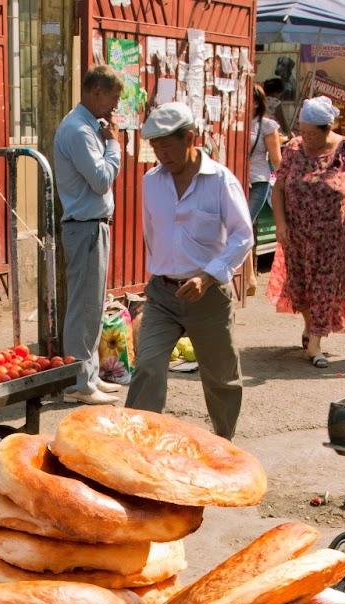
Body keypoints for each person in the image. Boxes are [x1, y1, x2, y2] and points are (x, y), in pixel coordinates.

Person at [127, 102, 253, 440]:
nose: (161, 153)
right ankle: (137, 444)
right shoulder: (151, 182)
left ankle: (225, 445)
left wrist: (208, 274)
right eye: (155, 146)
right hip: (163, 294)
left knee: (220, 377)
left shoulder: (220, 181)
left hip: (208, 294)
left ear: (190, 139)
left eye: (167, 144)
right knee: (147, 368)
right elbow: (153, 234)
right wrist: (162, 275)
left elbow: (243, 236)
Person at [269, 96, 345, 368]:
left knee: (325, 286)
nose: (306, 138)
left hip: (332, 236)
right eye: (302, 131)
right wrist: (280, 223)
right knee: (300, 286)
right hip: (297, 234)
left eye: (312, 134)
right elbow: (278, 188)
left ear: (327, 128)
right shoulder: (293, 148)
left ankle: (314, 343)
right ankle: (310, 325)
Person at [53, 65, 125, 405]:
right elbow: (100, 180)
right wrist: (114, 146)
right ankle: (80, 383)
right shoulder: (79, 130)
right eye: (113, 97)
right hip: (84, 226)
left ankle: (89, 376)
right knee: (83, 307)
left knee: (92, 305)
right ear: (96, 92)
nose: (115, 105)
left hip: (91, 225)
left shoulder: (86, 125)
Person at [245, 86, 283, 296]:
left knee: (244, 224)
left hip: (258, 181)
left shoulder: (267, 126)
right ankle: (248, 277)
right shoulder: (236, 122)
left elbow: (277, 159)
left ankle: (249, 276)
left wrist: (285, 186)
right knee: (240, 226)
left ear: (257, 103)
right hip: (237, 180)